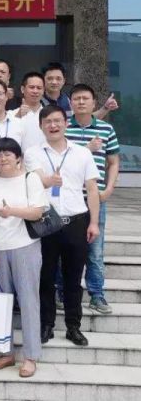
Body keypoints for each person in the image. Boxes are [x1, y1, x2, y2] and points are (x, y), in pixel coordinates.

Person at [24, 105, 101, 347]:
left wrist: (94, 222)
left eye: (57, 120)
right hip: (46, 222)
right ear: (41, 126)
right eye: (47, 121)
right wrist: (49, 181)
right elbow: (37, 179)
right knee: (45, 276)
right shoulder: (33, 153)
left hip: (76, 221)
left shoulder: (82, 153)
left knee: (73, 278)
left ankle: (73, 326)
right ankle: (46, 324)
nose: (53, 125)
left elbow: (92, 190)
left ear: (66, 124)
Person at [0, 137, 47, 378]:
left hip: (25, 246)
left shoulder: (31, 179)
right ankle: (5, 353)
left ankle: (31, 356)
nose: (2, 158)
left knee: (28, 300)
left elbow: (37, 212)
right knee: (1, 302)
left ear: (18, 157)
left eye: (8, 154)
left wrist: (11, 211)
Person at [66, 84, 120, 314]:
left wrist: (109, 188)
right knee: (65, 248)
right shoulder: (63, 127)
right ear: (70, 103)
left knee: (95, 250)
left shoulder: (106, 129)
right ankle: (61, 292)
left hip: (95, 199)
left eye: (85, 98)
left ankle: (97, 295)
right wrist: (86, 148)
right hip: (68, 199)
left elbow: (113, 162)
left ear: (93, 102)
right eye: (76, 98)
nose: (81, 102)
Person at [8, 72, 45, 152]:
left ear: (43, 90)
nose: (35, 91)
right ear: (22, 89)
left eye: (39, 88)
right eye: (31, 87)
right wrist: (18, 116)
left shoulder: (49, 114)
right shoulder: (11, 114)